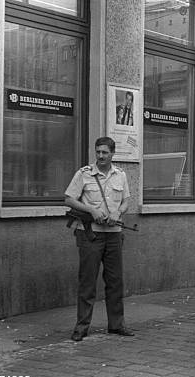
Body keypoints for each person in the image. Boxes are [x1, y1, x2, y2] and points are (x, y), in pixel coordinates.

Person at [64, 137, 134, 341]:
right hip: (90, 234)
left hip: (113, 235)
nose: (101, 156)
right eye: (98, 152)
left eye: (105, 152)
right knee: (87, 281)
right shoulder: (84, 173)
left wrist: (118, 213)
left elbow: (126, 201)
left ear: (113, 153)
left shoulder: (120, 175)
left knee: (115, 281)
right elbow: (68, 199)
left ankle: (117, 325)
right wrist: (92, 211)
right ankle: (82, 327)